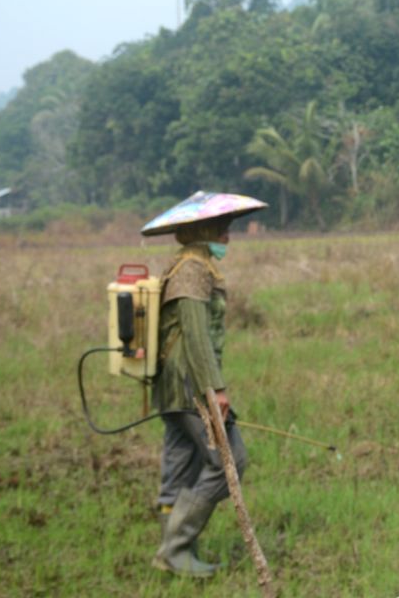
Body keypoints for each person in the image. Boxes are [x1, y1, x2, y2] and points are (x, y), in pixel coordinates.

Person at [140, 191, 266, 578]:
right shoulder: (193, 269)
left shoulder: (189, 265)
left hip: (173, 386)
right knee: (230, 459)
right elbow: (195, 336)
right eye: (222, 228)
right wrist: (215, 390)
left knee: (179, 466)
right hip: (189, 386)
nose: (228, 235)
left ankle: (175, 555)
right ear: (204, 229)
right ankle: (175, 548)